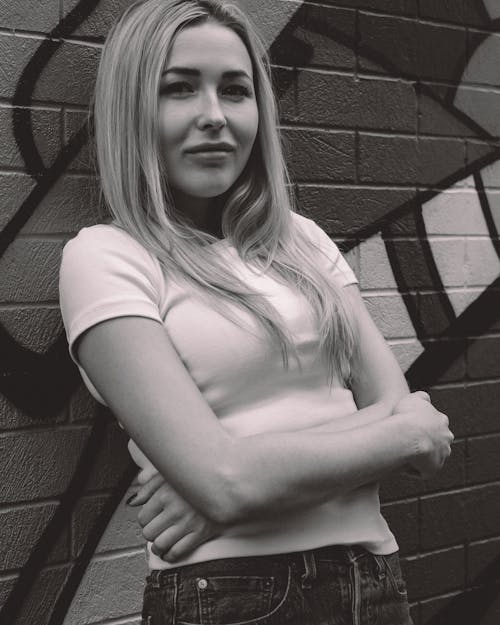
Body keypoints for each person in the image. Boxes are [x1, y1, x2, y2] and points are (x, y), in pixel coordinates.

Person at [58, 1, 454, 623]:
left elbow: (391, 413)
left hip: (373, 579)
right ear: (131, 107)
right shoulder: (106, 258)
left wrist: (241, 477)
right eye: (179, 89)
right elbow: (228, 480)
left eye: (235, 90)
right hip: (232, 596)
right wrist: (401, 432)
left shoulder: (304, 241)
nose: (213, 116)